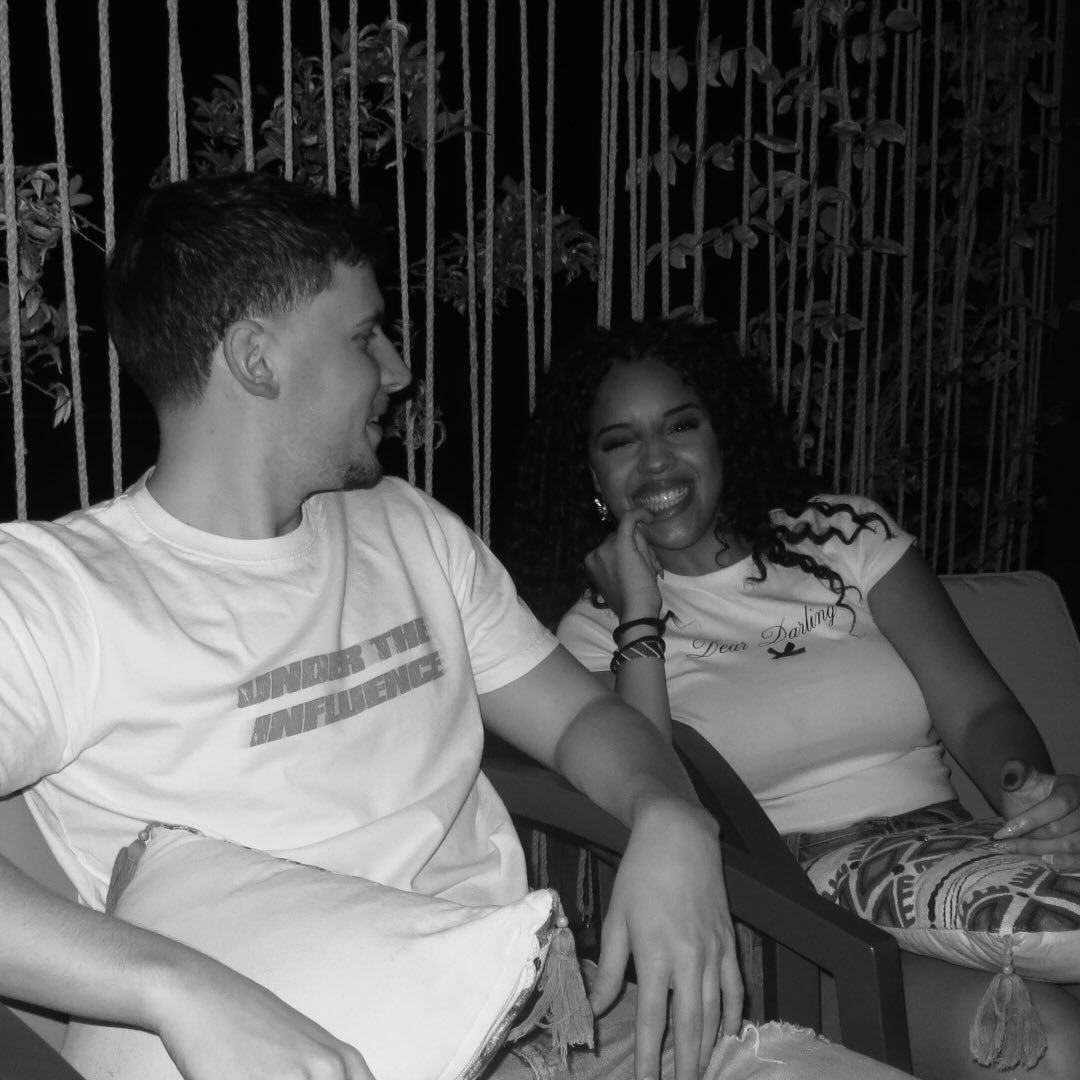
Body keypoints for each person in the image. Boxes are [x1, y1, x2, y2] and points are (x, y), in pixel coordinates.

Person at [0, 175, 911, 1080]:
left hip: (548, 1026)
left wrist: (669, 812)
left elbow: (584, 719)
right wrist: (177, 990)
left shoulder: (408, 530)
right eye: (364, 336)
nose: (398, 371)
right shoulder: (58, 592)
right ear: (256, 360)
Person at [502, 316, 1080, 1080]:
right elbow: (649, 797)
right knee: (1050, 1046)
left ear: (722, 433)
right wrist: (639, 616)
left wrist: (1028, 795)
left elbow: (978, 709)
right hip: (796, 925)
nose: (656, 460)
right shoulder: (592, 633)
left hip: (951, 860)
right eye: (620, 441)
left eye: (680, 425)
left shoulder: (844, 537)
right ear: (592, 474)